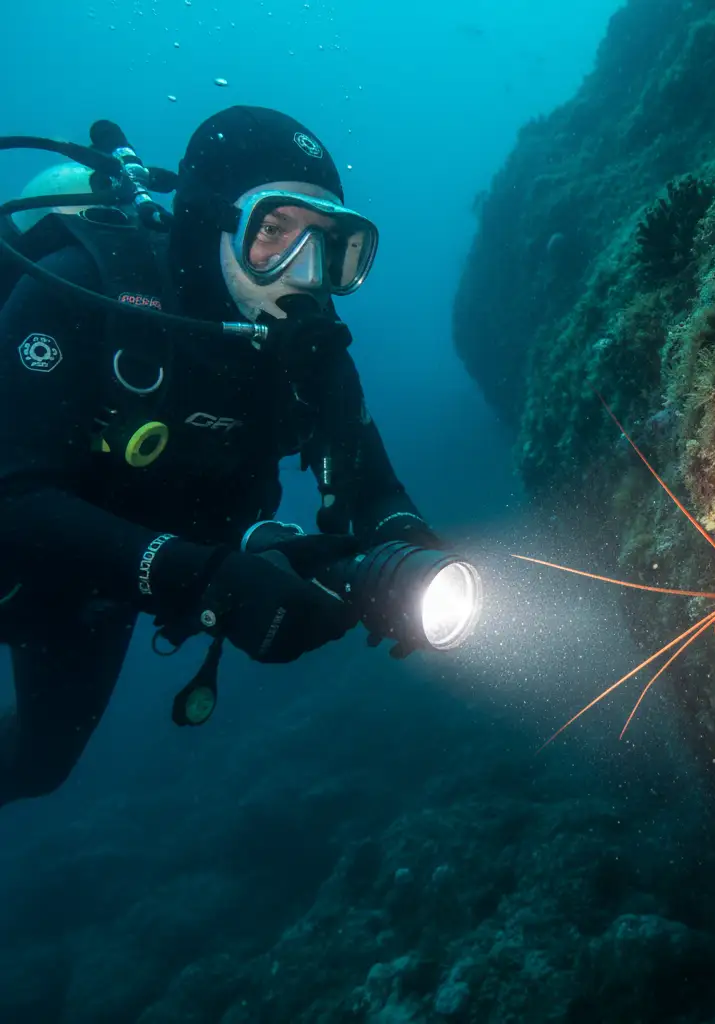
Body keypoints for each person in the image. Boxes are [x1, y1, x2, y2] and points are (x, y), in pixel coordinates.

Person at [0, 106, 443, 806]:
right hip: (54, 549)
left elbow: (371, 483)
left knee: (35, 764)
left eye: (332, 245)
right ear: (210, 221)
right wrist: (205, 581)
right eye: (274, 232)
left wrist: (405, 551)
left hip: (95, 586)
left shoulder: (309, 347)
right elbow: (14, 504)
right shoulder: (74, 292)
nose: (306, 273)